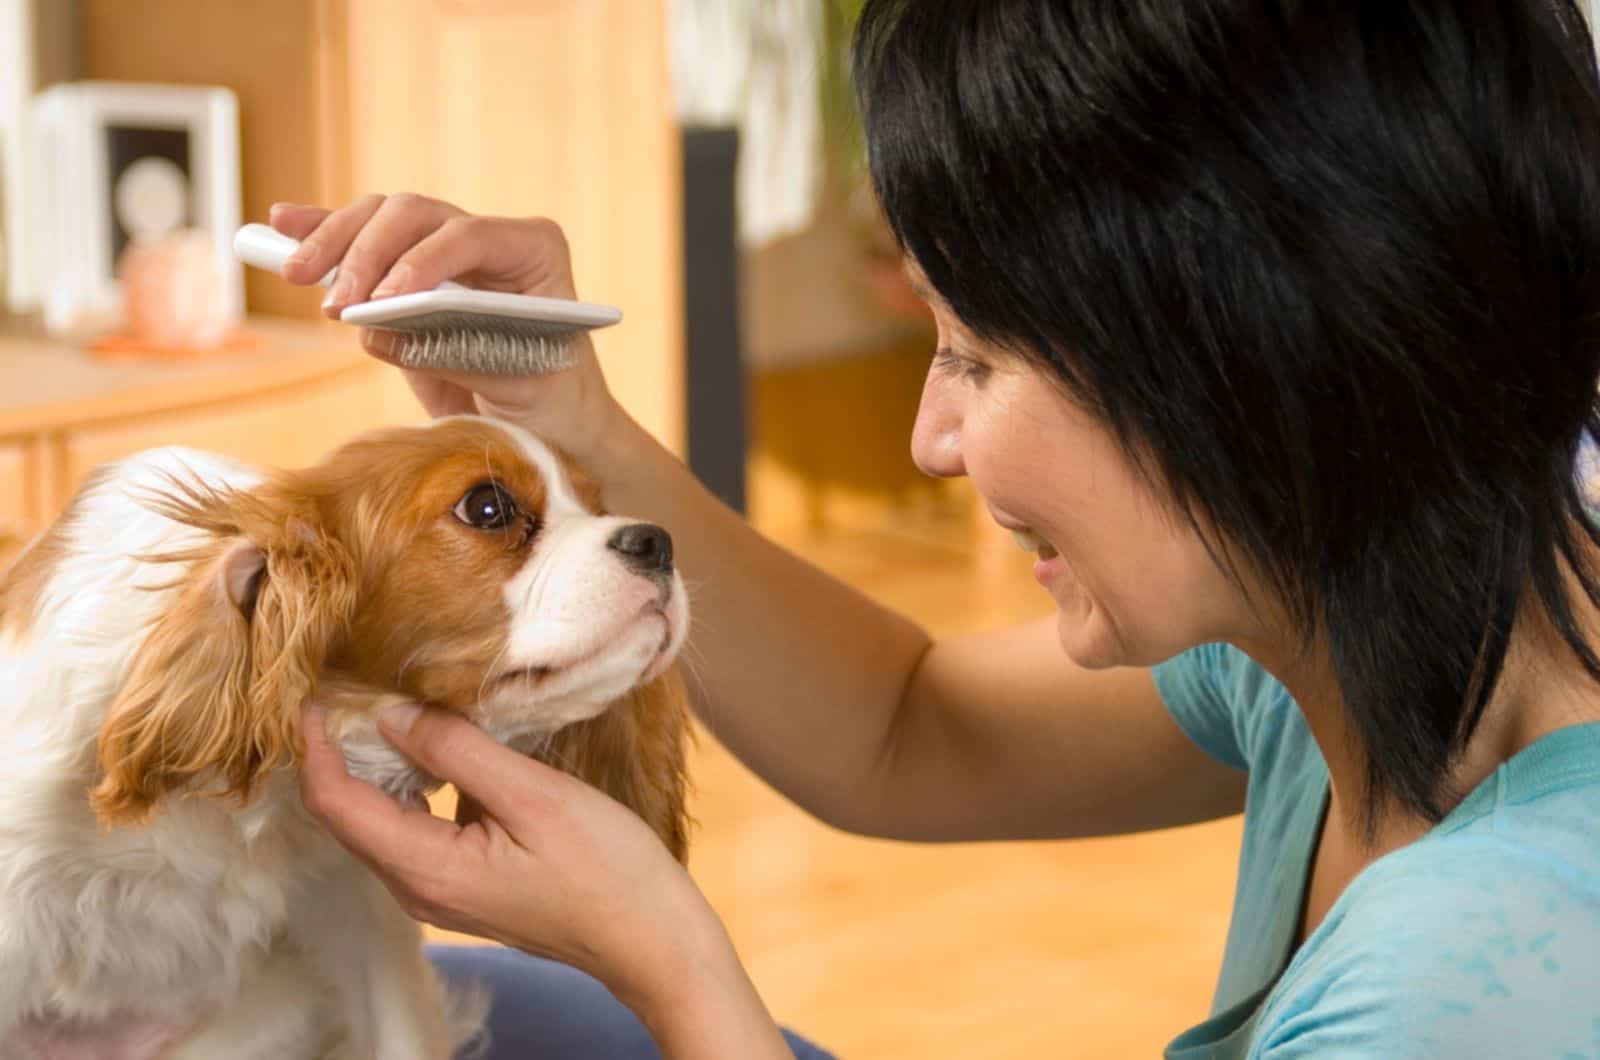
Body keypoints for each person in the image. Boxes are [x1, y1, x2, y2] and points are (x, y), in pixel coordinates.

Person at [287, 0, 1600, 1056]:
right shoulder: (1376, 612)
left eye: (970, 353)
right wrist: (587, 434)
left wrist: (669, 963)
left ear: (1241, 365)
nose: (930, 437)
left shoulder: (1475, 981)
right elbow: (905, 728)